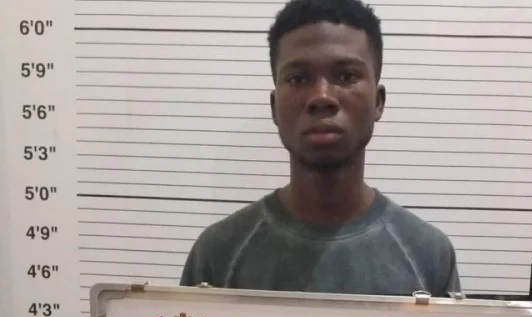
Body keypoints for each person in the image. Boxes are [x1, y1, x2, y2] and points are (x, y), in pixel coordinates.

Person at [180, 0, 461, 297]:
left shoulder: (428, 255)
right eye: (299, 79)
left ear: (378, 102)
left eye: (346, 76)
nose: (322, 97)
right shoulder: (217, 253)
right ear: (274, 107)